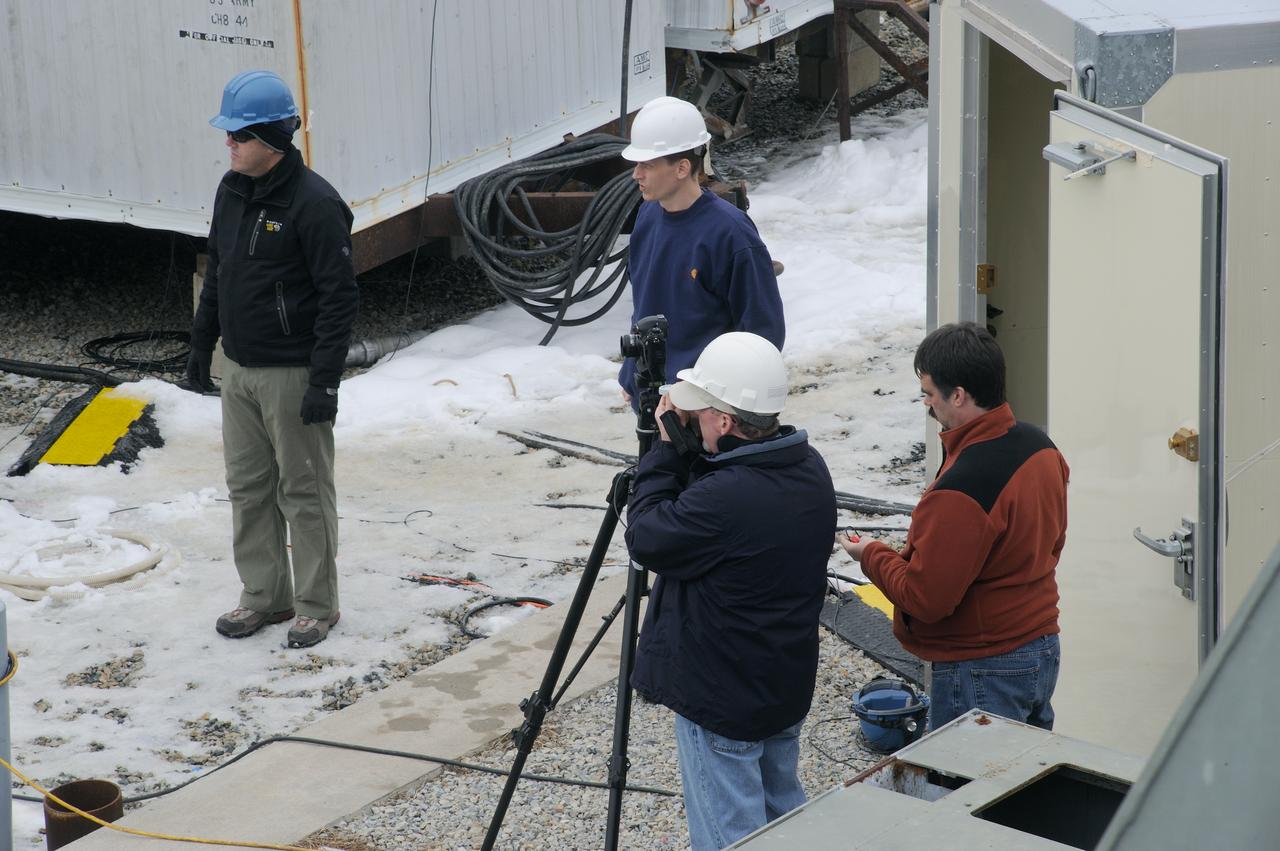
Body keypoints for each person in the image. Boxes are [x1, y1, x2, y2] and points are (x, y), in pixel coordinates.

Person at [626, 332, 836, 851]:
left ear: (724, 421)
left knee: (732, 837)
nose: (692, 423)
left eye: (700, 416)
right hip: (780, 685)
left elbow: (646, 536)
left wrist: (665, 451)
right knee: (783, 819)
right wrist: (691, 448)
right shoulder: (809, 468)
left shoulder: (726, 499)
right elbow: (725, 495)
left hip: (722, 698)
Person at [186, 70, 358, 649]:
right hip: (237, 366)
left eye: (237, 135)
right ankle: (265, 595)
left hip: (292, 372)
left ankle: (315, 604)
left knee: (303, 490)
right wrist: (200, 347)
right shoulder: (231, 189)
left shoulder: (316, 204)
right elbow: (219, 271)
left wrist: (324, 383)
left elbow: (340, 298)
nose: (227, 144)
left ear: (271, 139)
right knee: (248, 487)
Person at [839, 322, 1069, 731]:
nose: (928, 405)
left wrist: (871, 554)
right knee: (1025, 785)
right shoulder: (1041, 447)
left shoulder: (962, 488)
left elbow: (926, 599)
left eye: (928, 394)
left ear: (958, 395)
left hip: (983, 667)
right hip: (1041, 647)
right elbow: (1052, 544)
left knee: (969, 791)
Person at [618, 96, 785, 403]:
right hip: (653, 400)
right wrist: (632, 375)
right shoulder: (648, 216)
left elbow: (762, 335)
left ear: (682, 168)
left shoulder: (730, 234)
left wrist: (717, 404)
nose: (635, 174)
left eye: (647, 165)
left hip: (708, 410)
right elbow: (646, 302)